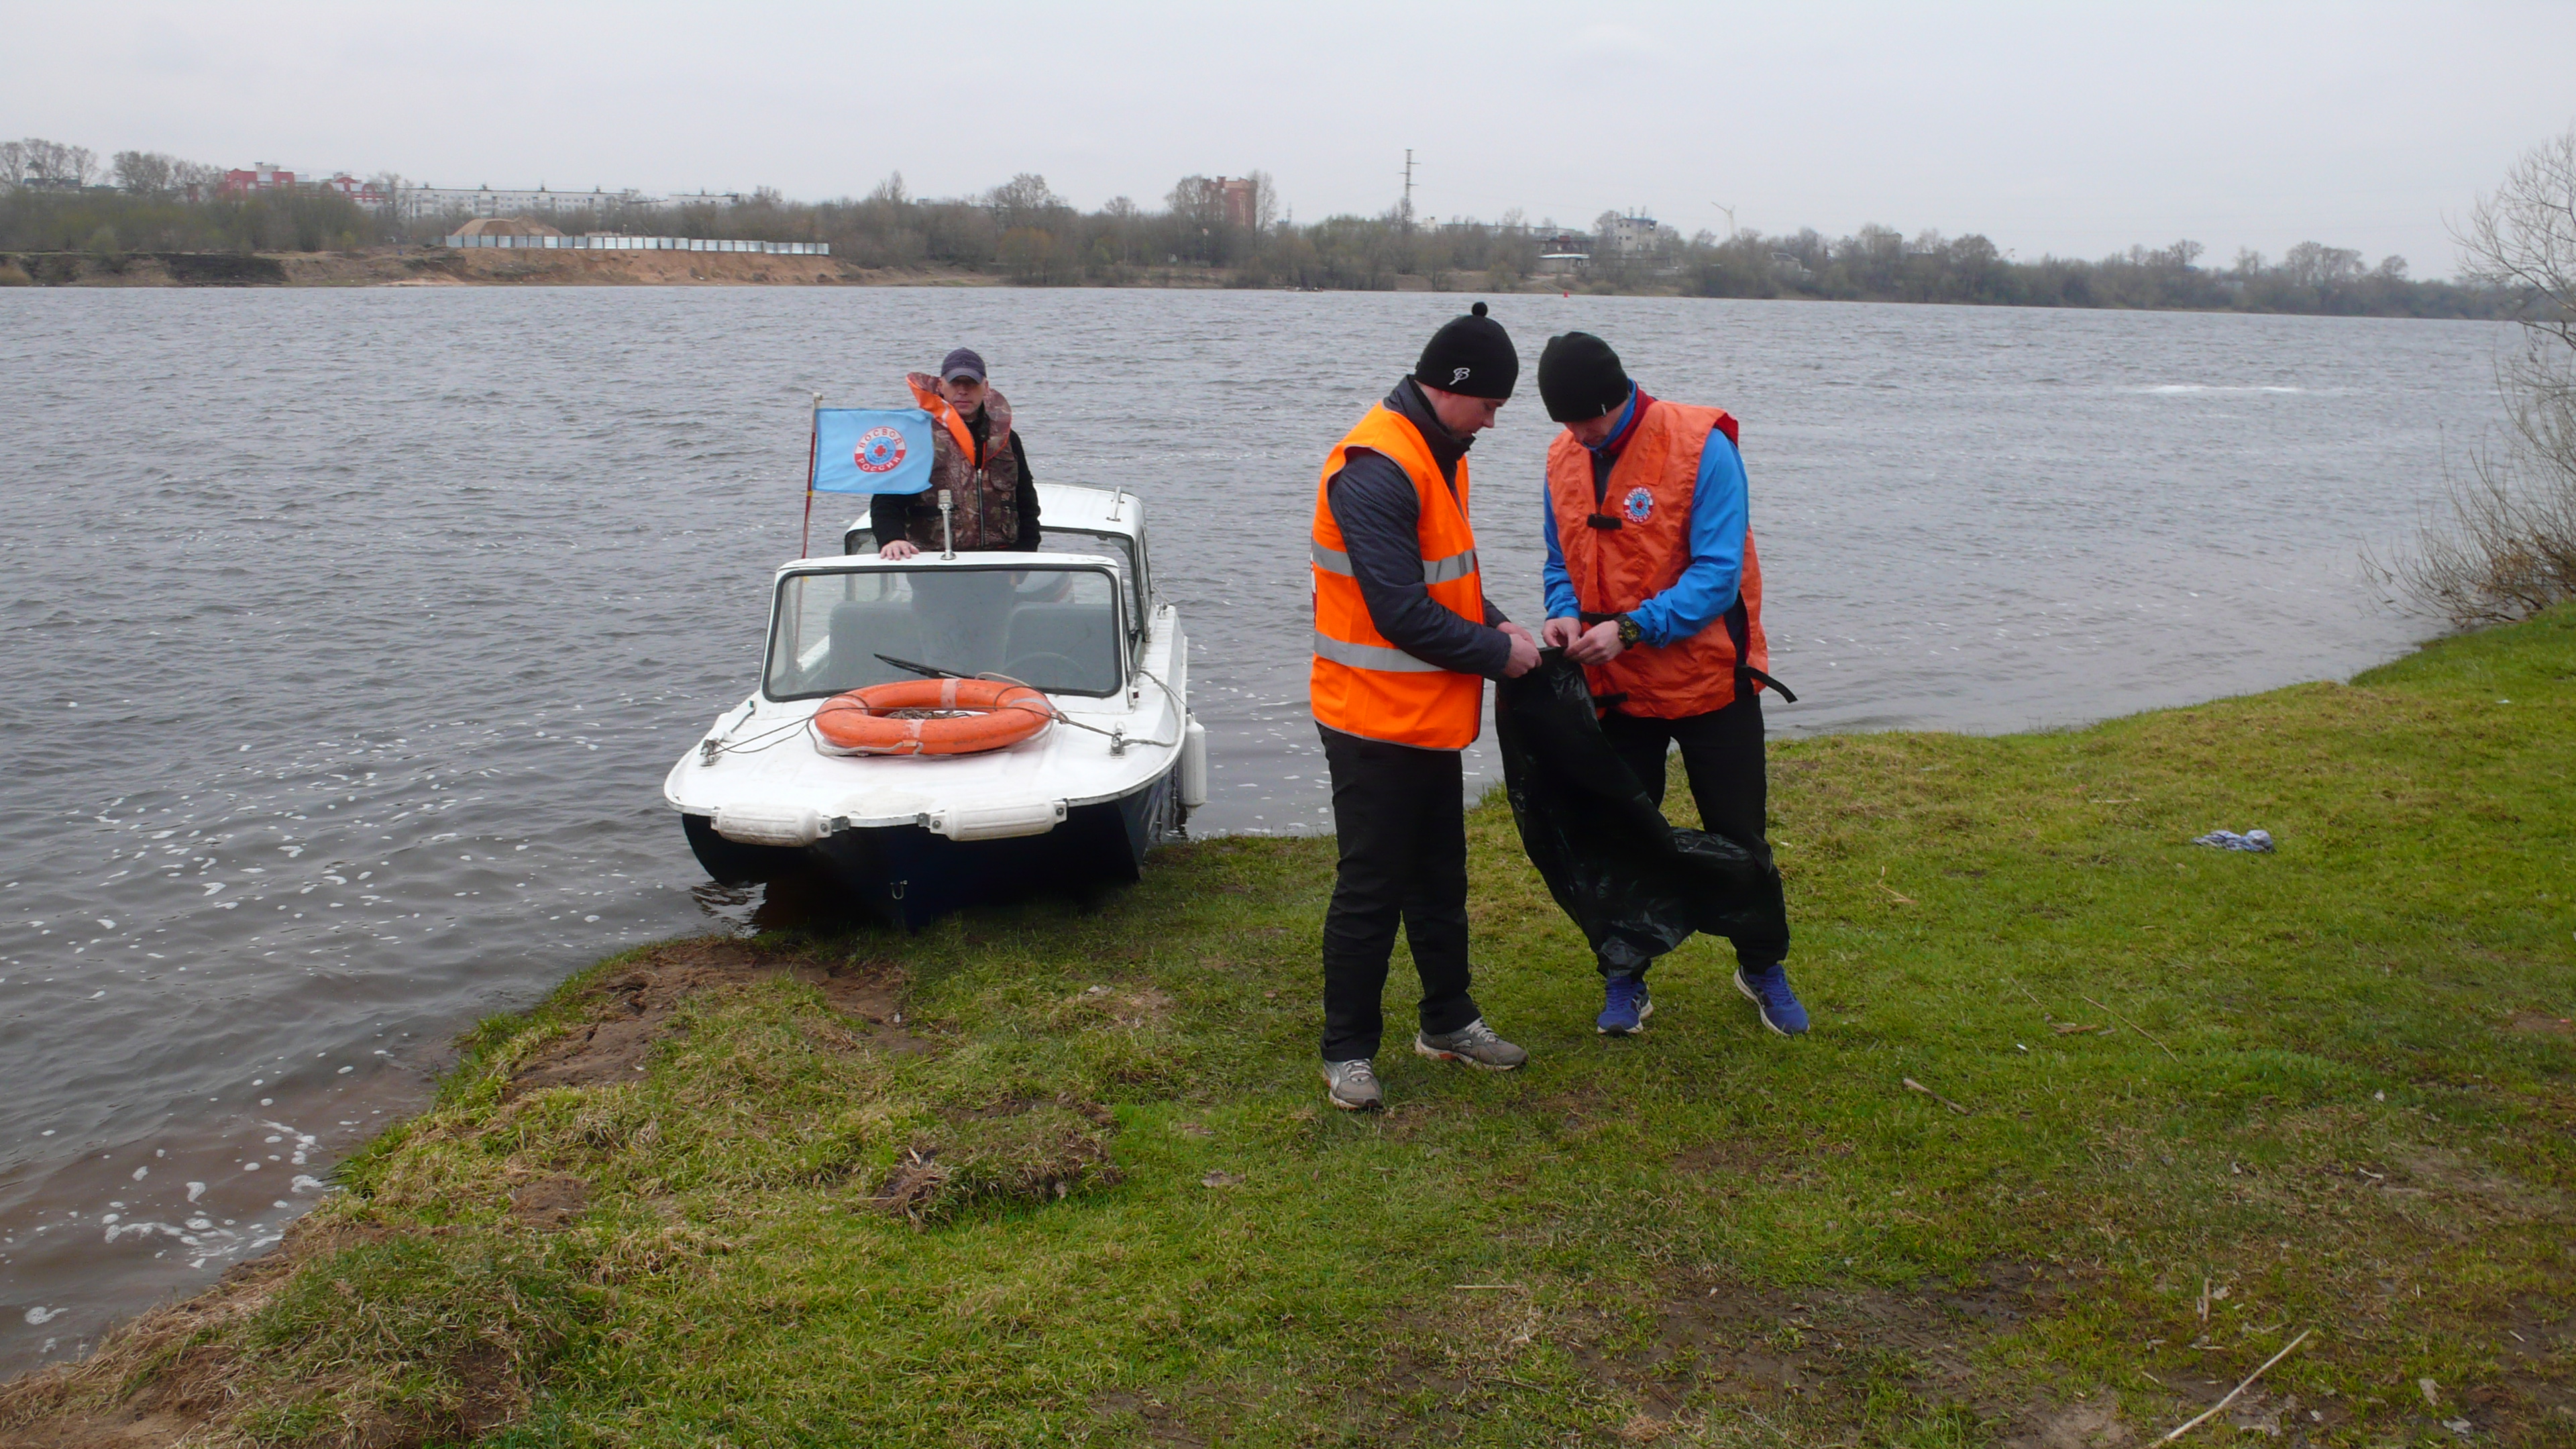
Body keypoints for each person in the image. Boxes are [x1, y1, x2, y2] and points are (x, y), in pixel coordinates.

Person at [1534, 331, 1806, 1038]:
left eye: (1587, 420)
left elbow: (1717, 575)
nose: (1579, 435)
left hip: (1713, 682)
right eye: (1565, 423)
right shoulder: (1564, 457)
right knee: (1619, 836)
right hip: (1617, 690)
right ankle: (1625, 976)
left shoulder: (1701, 445)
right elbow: (1560, 561)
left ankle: (1762, 966)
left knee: (1740, 836)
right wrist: (1563, 615)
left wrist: (1630, 628)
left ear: (1618, 396)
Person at [1310, 303, 1542, 1112]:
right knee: (1372, 887)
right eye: (1490, 406)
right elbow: (1399, 612)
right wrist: (1498, 654)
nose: (1493, 422)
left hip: (1427, 718)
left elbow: (1449, 583)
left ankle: (1448, 1020)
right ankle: (1348, 1052)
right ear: (1452, 387)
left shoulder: (1442, 448)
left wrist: (1499, 621)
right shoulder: (1377, 466)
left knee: (1440, 879)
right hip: (1369, 718)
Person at [873, 347, 1040, 559]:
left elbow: (1027, 503)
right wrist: (891, 538)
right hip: (934, 562)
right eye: (955, 383)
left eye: (971, 384)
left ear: (986, 387)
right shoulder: (916, 436)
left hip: (1001, 562)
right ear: (941, 386)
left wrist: (1026, 555)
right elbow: (886, 500)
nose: (963, 390)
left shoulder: (1007, 439)